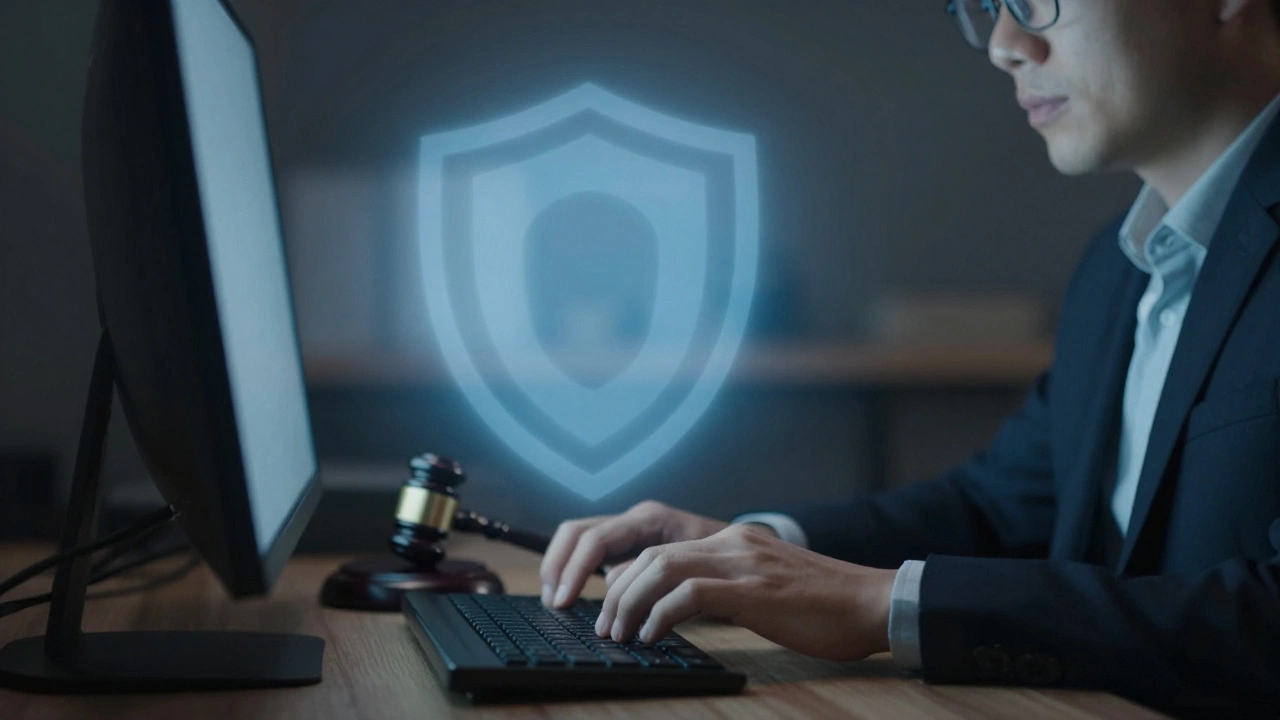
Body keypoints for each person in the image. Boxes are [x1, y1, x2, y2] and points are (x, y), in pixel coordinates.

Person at [539, 0, 1280, 715]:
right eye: (990, 4)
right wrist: (750, 548)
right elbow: (998, 510)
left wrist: (882, 602)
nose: (1005, 43)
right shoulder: (1116, 270)